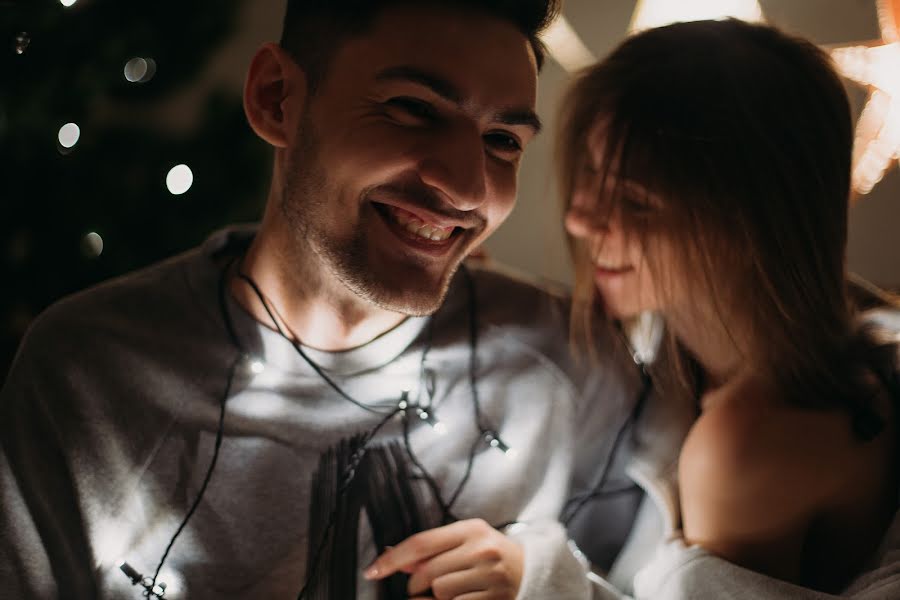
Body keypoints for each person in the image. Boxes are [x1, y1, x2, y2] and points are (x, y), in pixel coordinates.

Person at [0, 1, 631, 598]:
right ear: (275, 98)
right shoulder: (87, 373)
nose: (467, 188)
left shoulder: (571, 361)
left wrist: (549, 584)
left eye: (503, 142)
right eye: (412, 109)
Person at [555, 19, 900, 599]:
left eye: (637, 202)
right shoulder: (839, 319)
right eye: (590, 173)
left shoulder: (743, 445)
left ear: (750, 223)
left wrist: (538, 583)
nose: (580, 219)